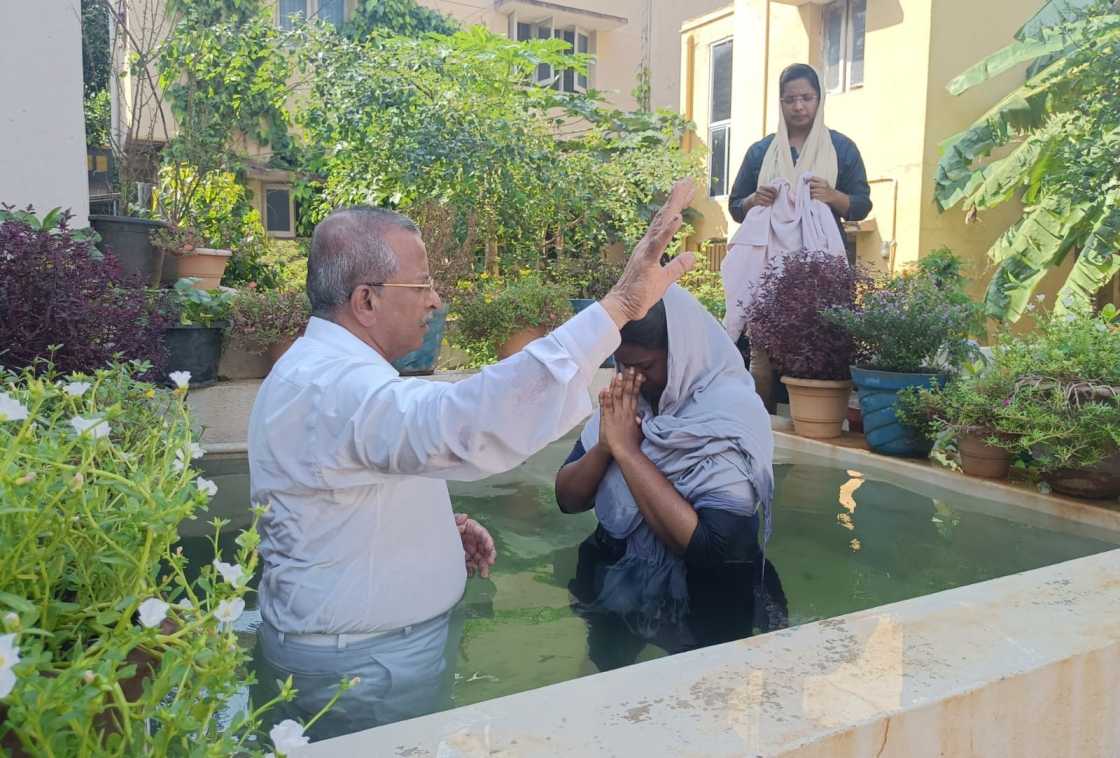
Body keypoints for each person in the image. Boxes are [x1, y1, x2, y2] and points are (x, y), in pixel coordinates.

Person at [247, 180, 696, 742]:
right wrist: (620, 307)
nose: (436, 300)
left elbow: (346, 493)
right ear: (366, 301)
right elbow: (467, 420)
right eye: (423, 284)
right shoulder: (337, 386)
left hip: (362, 658)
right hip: (361, 674)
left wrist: (433, 531)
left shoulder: (327, 373)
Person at [554, 286, 784, 668]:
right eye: (623, 366)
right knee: (607, 689)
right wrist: (605, 447)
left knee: (703, 700)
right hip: (618, 581)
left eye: (644, 367)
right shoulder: (630, 403)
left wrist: (628, 452)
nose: (633, 379)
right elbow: (567, 499)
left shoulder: (729, 413)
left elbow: (713, 550)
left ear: (683, 357)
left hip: (708, 600)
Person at [725, 63, 871, 411]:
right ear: (781, 103)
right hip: (767, 268)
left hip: (818, 270)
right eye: (791, 99)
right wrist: (753, 200)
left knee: (814, 344)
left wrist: (832, 197)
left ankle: (808, 424)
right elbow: (735, 205)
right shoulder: (762, 152)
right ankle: (761, 421)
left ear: (819, 100)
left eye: (806, 98)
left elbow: (862, 203)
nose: (799, 106)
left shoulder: (841, 148)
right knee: (761, 350)